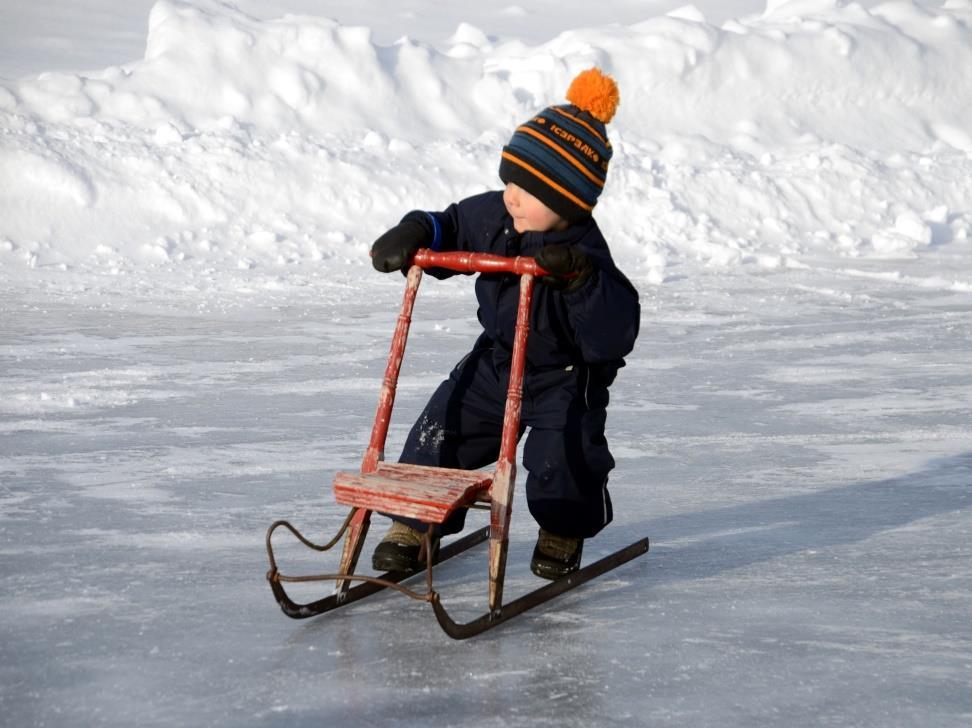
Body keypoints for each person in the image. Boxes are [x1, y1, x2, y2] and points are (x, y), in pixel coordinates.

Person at [368, 68, 640, 580]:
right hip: (497, 361)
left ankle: (563, 526)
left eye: (528, 190)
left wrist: (580, 283)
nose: (511, 195)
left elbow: (615, 333)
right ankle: (413, 522)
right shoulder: (498, 215)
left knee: (563, 462)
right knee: (440, 431)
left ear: (567, 200)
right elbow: (450, 223)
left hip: (563, 377)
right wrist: (414, 232)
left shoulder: (585, 255)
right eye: (509, 180)